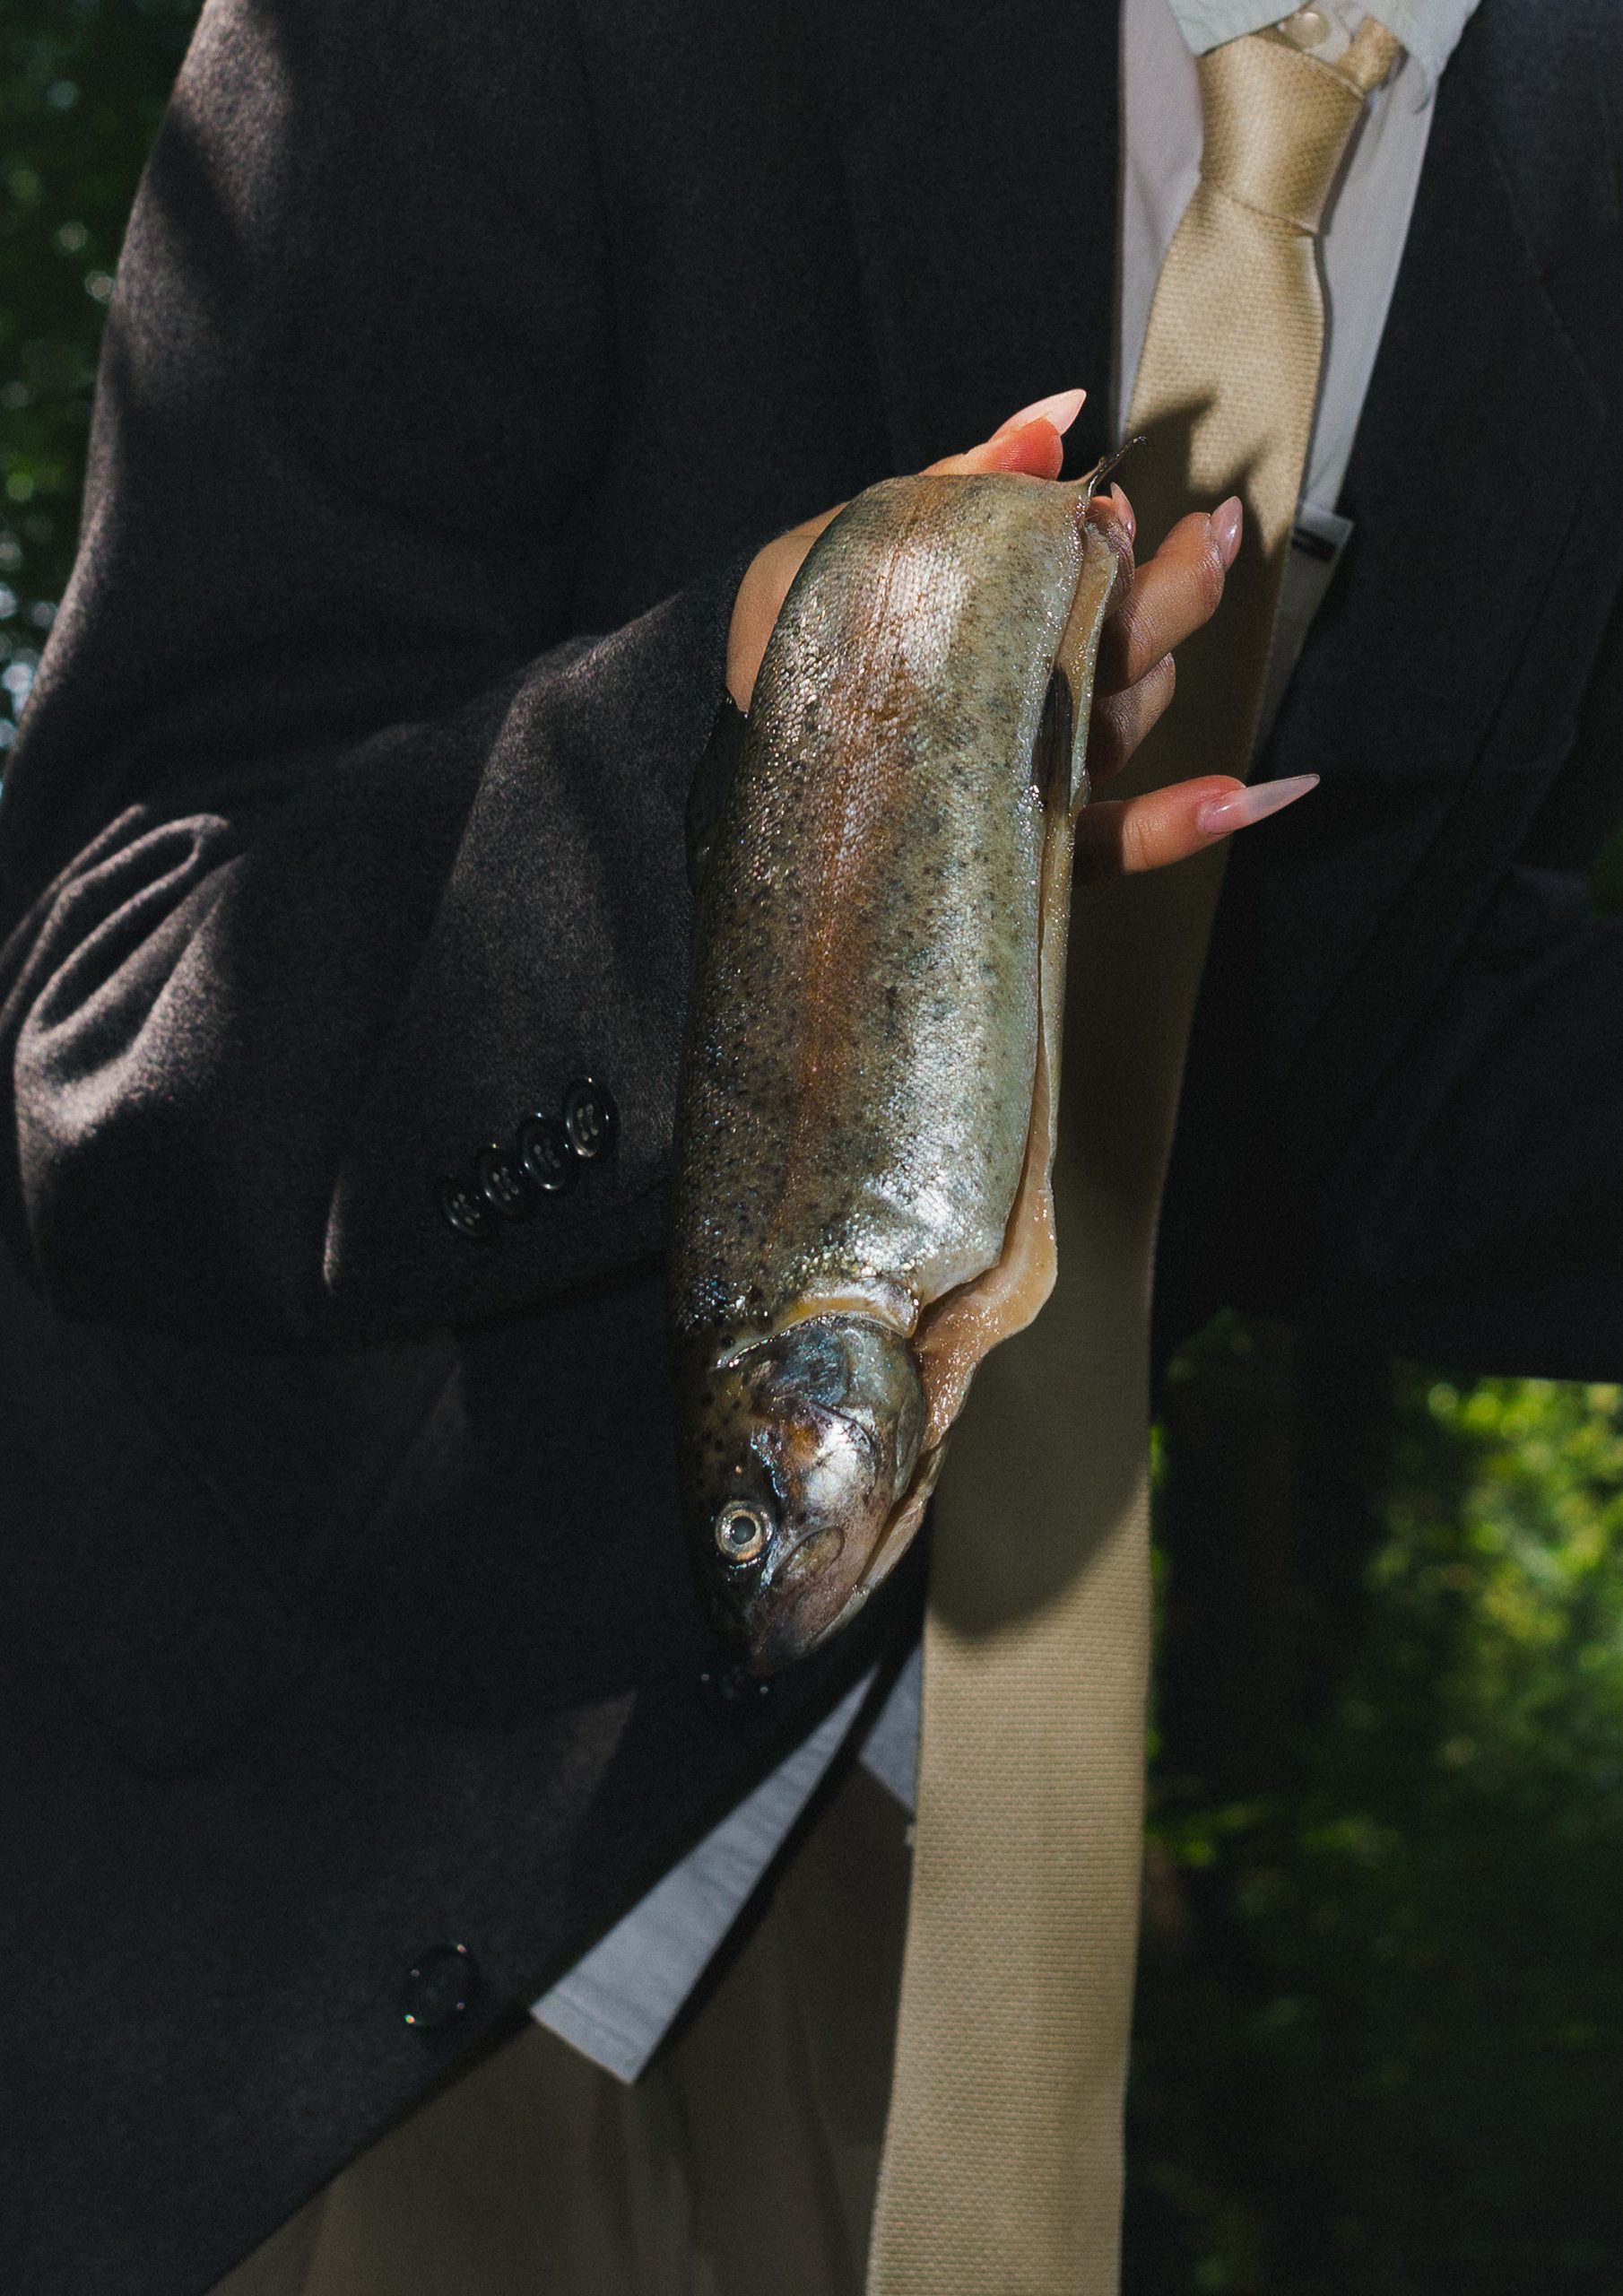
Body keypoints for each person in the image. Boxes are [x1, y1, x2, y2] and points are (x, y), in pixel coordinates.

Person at [0, 0, 1618, 2290]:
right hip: (299, 1891)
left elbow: (1328, 1065)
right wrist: (784, 788)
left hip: (954, 1901)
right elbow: (129, 1000)